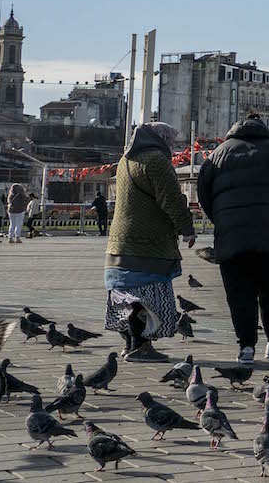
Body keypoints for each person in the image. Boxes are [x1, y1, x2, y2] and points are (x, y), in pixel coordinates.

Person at [197, 113, 269, 364]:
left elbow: (203, 195)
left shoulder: (217, 155)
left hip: (231, 238)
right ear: (264, 128)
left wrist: (222, 219)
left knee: (238, 293)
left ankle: (246, 347)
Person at [106, 122, 196, 361]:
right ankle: (141, 347)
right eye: (172, 141)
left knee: (124, 296)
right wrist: (186, 228)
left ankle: (130, 344)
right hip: (147, 244)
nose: (174, 147)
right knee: (146, 298)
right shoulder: (156, 160)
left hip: (119, 243)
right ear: (162, 138)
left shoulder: (126, 160)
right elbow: (172, 199)